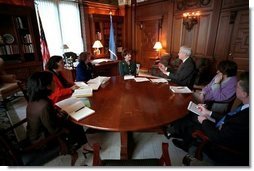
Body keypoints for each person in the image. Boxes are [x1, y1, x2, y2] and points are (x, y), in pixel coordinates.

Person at [168, 72, 249, 165]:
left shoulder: (245, 118)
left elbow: (218, 137)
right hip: (224, 128)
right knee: (192, 116)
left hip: (222, 146)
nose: (235, 88)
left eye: (237, 87)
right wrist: (208, 112)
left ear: (244, 93)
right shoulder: (246, 104)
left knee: (193, 121)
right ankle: (178, 133)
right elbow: (229, 117)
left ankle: (184, 142)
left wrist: (204, 121)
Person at [26, 71, 93, 154]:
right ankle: (85, 146)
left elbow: (48, 119)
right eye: (52, 81)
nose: (55, 83)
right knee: (74, 122)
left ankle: (82, 143)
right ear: (47, 86)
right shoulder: (45, 105)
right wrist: (65, 116)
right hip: (42, 141)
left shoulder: (34, 99)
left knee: (70, 117)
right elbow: (54, 130)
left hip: (34, 134)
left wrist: (59, 113)